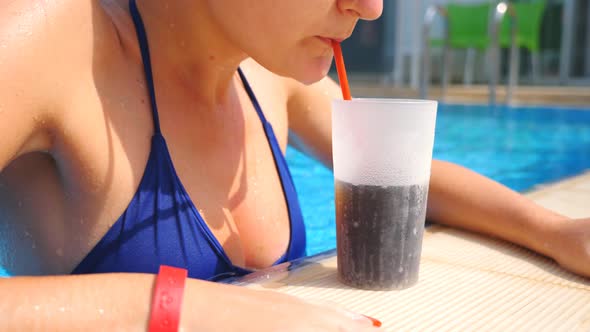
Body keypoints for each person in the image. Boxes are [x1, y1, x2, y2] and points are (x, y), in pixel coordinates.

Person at [0, 0, 588, 330]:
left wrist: (556, 233)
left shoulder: (268, 74)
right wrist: (193, 308)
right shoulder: (53, 40)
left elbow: (407, 177)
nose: (371, 6)